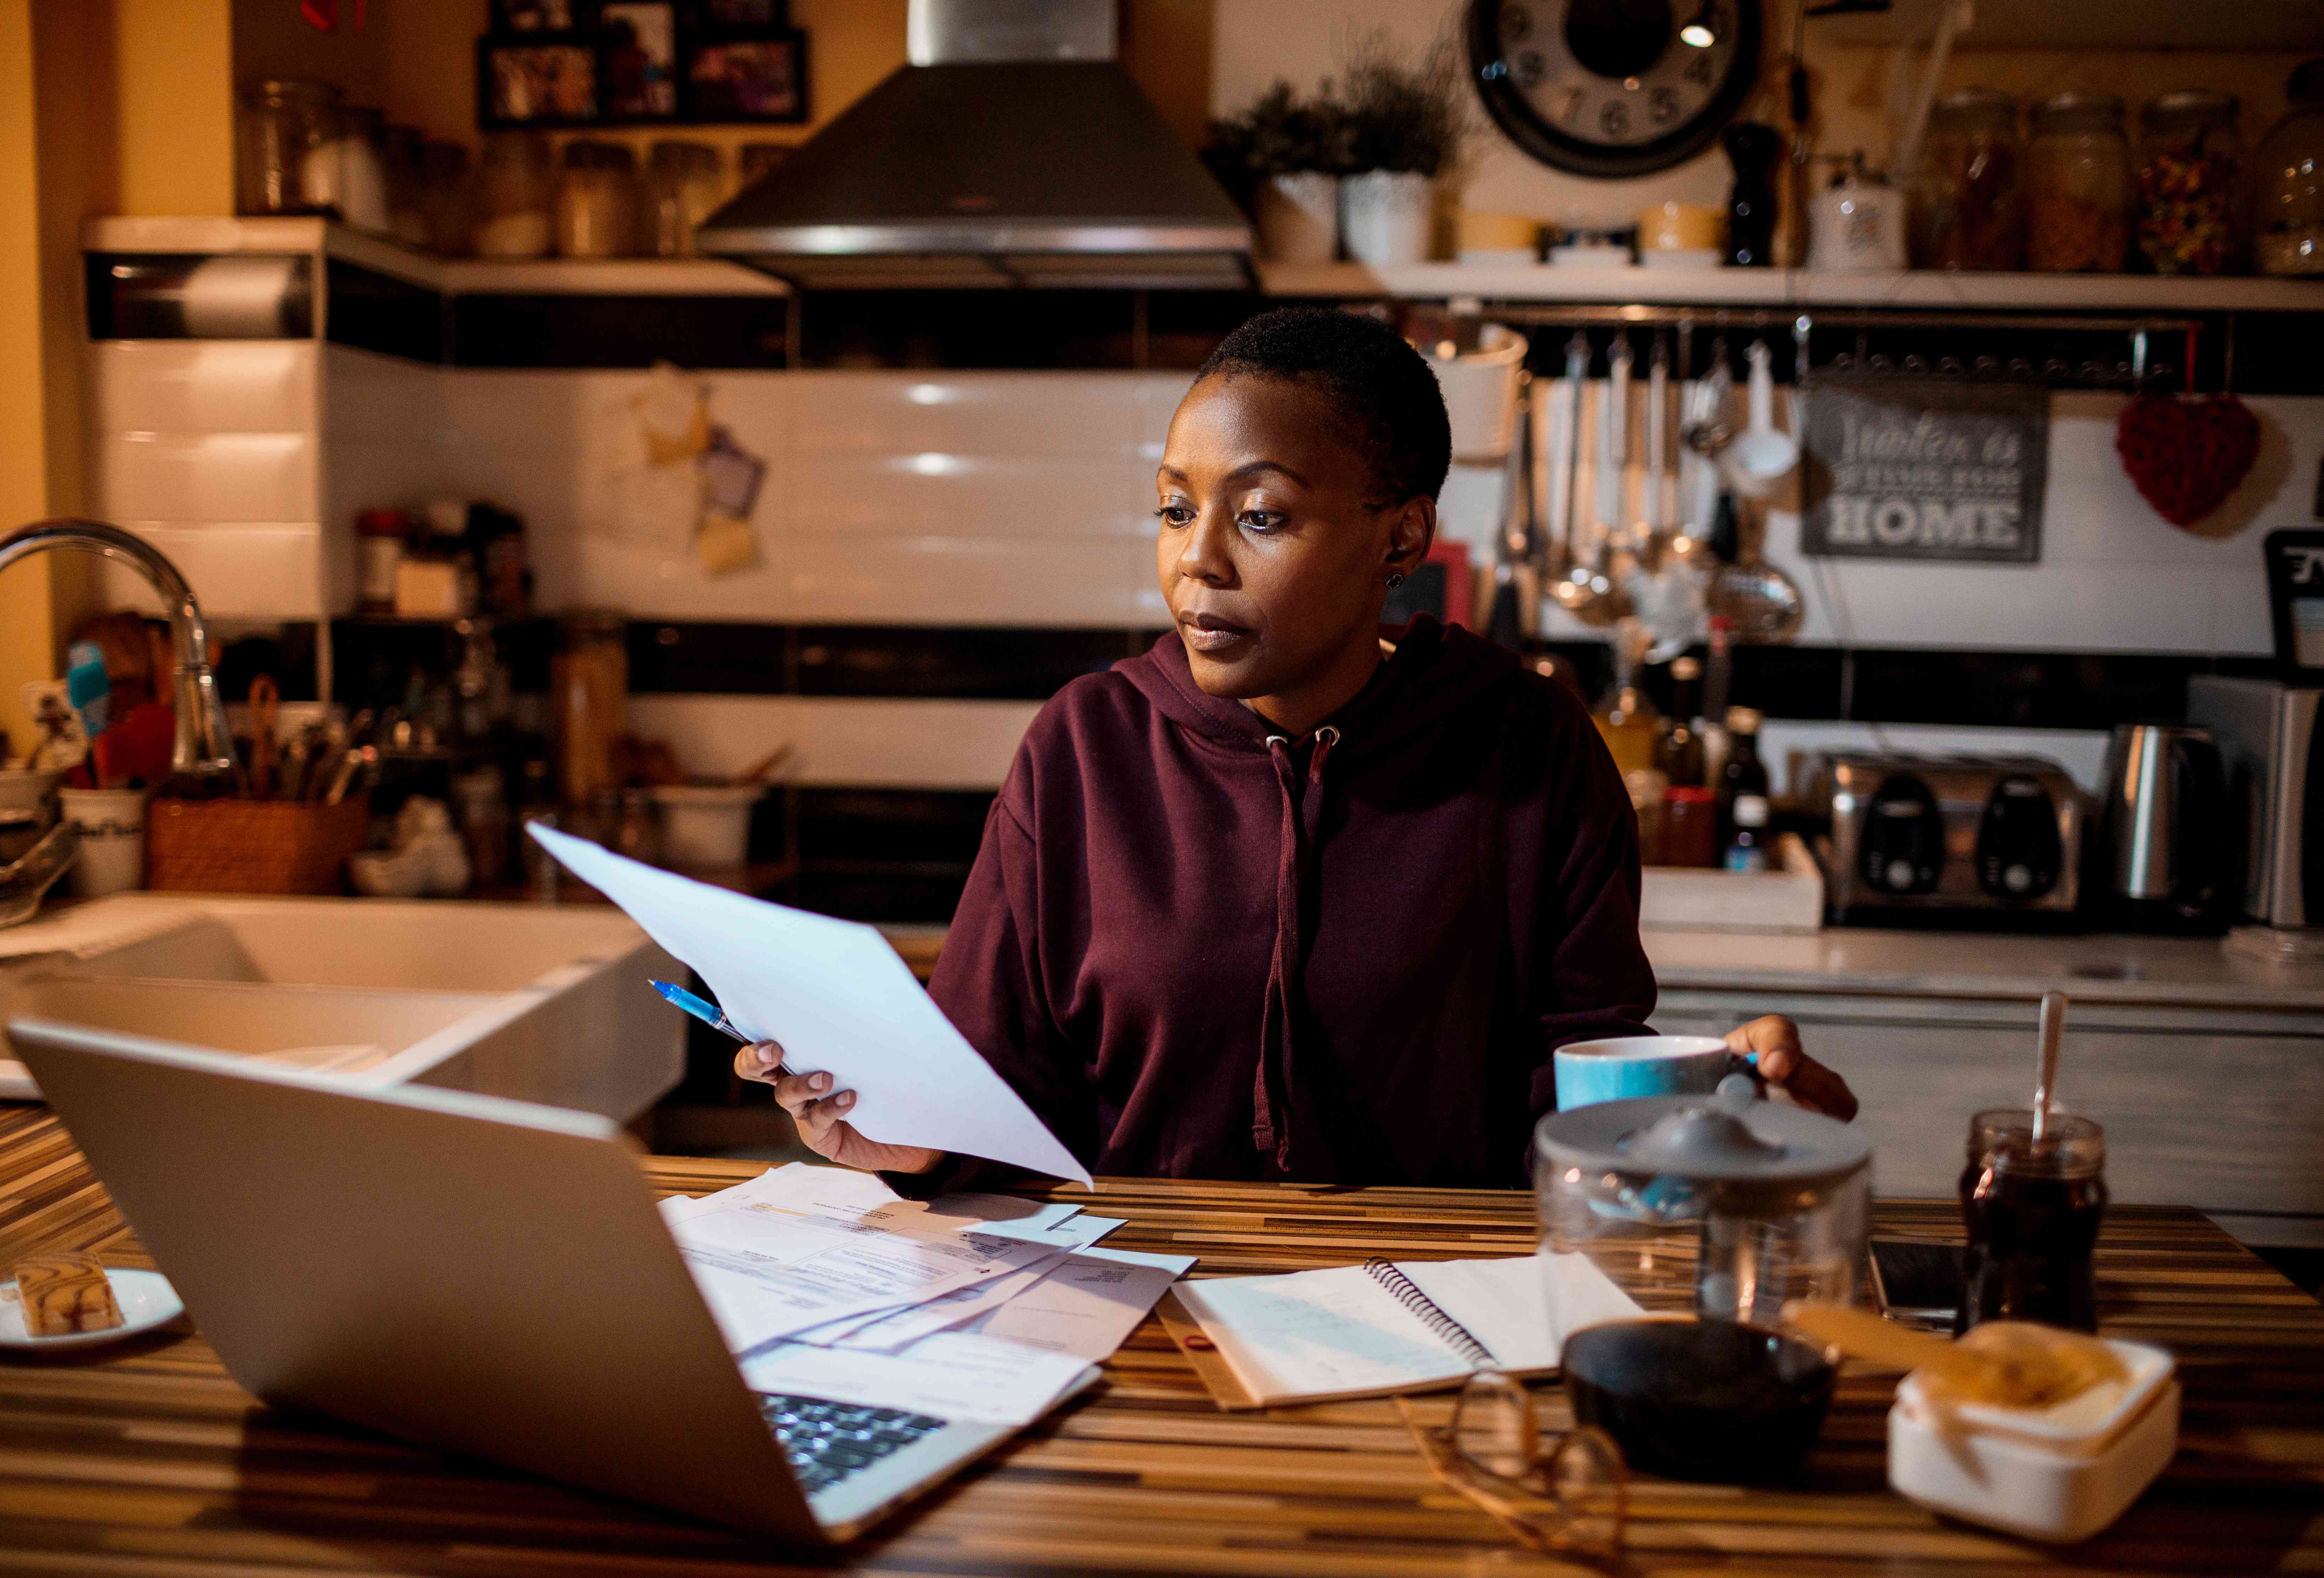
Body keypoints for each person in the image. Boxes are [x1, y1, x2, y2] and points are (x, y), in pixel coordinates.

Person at [738, 307, 1854, 1189]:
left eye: (1260, 517)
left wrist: (1717, 1106)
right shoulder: (1085, 748)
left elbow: (1580, 1095)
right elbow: (1000, 1081)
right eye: (1177, 511)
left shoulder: (1530, 745)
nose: (1197, 564)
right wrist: (911, 1143)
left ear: (1402, 537)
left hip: (1442, 1319)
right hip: (1135, 1321)